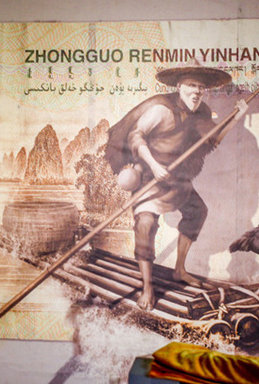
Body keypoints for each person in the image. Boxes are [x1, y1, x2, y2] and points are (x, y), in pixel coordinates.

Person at [105, 60, 248, 310]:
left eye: (200, 87)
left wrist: (237, 115)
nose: (196, 91)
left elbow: (212, 139)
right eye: (191, 85)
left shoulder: (201, 113)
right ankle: (147, 287)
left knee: (197, 211)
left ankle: (179, 269)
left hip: (176, 177)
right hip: (150, 176)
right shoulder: (161, 110)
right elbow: (136, 136)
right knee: (145, 224)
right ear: (180, 87)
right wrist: (154, 165)